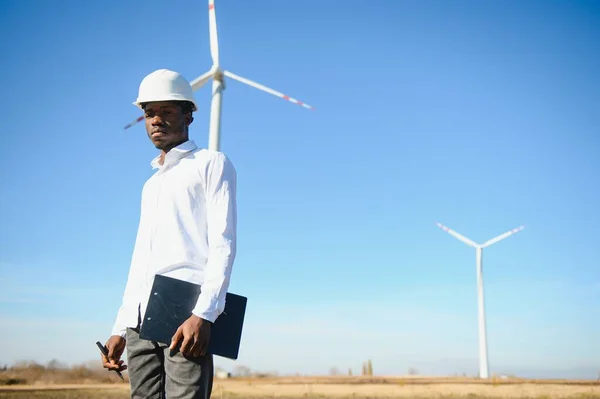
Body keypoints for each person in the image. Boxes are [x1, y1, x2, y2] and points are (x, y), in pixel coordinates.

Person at [101, 69, 237, 399]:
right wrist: (120, 327)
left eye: (167, 111)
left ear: (189, 114)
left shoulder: (211, 163)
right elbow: (141, 258)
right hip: (138, 320)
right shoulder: (151, 184)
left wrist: (203, 314)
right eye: (149, 113)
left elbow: (223, 244)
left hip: (184, 313)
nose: (156, 120)